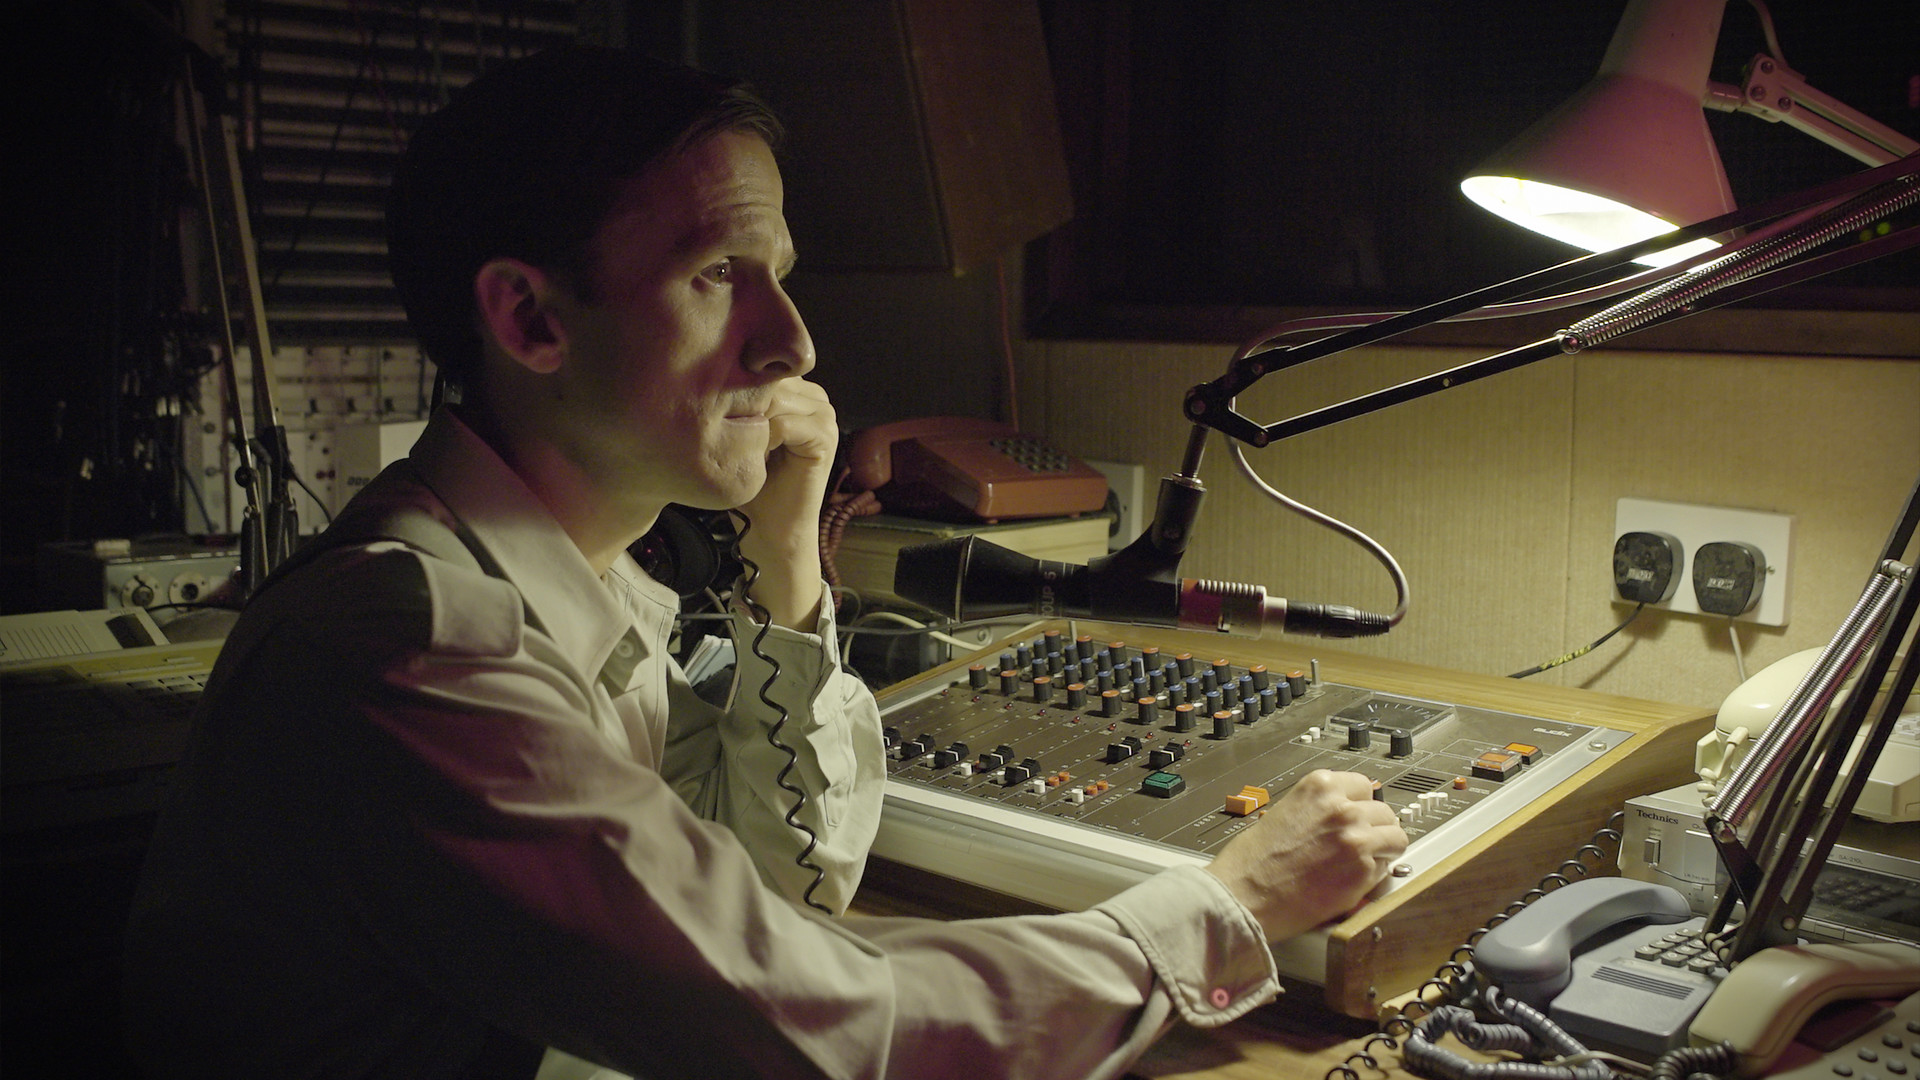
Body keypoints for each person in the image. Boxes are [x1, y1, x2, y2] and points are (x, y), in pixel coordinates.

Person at [122, 44, 1408, 1080]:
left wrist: (788, 557)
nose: (792, 341)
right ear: (528, 317)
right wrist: (1228, 907)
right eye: (717, 276)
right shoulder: (417, 647)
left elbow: (780, 895)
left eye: (780, 277)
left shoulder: (588, 587)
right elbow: (822, 1028)